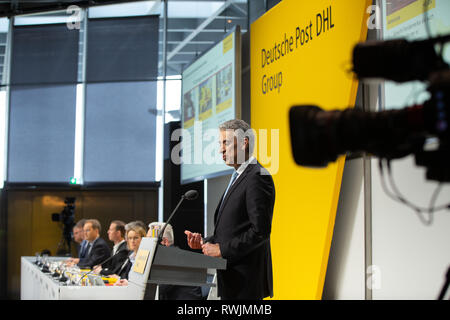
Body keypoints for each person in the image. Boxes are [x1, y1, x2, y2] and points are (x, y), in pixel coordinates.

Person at [185, 119, 276, 300]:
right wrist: (204, 242)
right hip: (232, 280)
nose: (220, 150)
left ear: (244, 142)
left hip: (246, 282)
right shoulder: (238, 176)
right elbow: (233, 230)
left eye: (225, 142)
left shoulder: (257, 176)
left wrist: (222, 250)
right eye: (220, 144)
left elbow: (260, 231)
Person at [148, 222, 203, 300]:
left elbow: (158, 290)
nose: (147, 245)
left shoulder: (176, 260)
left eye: (150, 240)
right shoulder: (166, 258)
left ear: (164, 241)